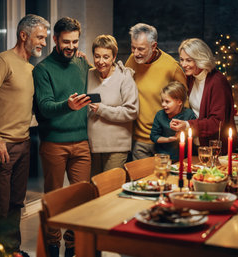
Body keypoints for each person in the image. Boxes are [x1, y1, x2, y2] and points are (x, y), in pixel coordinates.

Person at [0, 14, 49, 256]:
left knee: (17, 203)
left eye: (45, 38)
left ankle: (13, 250)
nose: (43, 43)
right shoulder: (2, 61)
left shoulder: (30, 68)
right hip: (2, 145)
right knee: (0, 205)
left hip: (23, 143)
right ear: (23, 35)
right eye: (40, 37)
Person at [32, 17, 91, 257]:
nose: (71, 46)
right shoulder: (43, 70)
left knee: (82, 200)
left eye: (75, 41)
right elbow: (44, 107)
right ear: (55, 39)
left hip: (82, 142)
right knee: (54, 199)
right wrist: (68, 106)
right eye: (66, 41)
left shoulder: (83, 64)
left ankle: (73, 247)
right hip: (54, 143)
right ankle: (53, 247)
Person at [125, 23, 187, 160]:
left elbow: (185, 103)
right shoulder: (131, 60)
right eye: (133, 47)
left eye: (141, 49)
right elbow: (118, 83)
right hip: (139, 142)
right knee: (141, 181)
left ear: (153, 46)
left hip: (166, 141)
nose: (136, 53)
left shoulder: (171, 67)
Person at [170, 38, 237, 154]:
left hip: (216, 148)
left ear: (200, 59)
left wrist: (187, 125)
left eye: (188, 60)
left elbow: (217, 122)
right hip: (197, 144)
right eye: (182, 59)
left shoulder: (218, 82)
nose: (183, 64)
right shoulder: (191, 78)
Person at [87, 35, 139, 174]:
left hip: (117, 147)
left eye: (106, 57)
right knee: (94, 189)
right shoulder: (88, 75)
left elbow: (132, 111)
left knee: (109, 189)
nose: (100, 61)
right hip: (92, 146)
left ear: (114, 57)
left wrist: (101, 109)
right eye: (97, 56)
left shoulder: (124, 78)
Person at [150, 81, 196, 161]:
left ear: (179, 102)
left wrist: (183, 133)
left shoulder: (189, 114)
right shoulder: (160, 115)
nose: (163, 104)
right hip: (163, 158)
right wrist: (169, 139)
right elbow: (154, 136)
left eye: (167, 101)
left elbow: (194, 132)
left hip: (184, 158)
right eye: (162, 101)